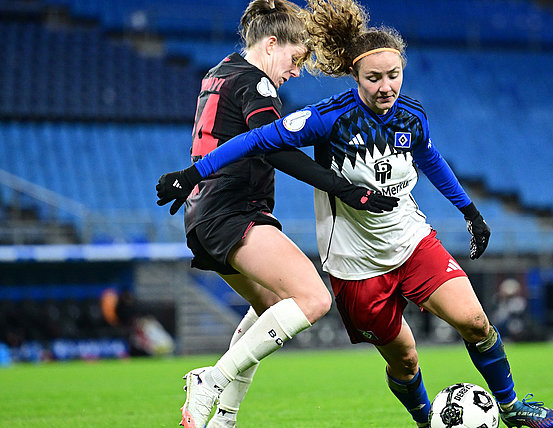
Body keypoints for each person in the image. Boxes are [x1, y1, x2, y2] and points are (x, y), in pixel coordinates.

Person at [157, 1, 553, 426]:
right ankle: (425, 420)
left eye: (394, 75)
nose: (386, 86)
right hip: (356, 265)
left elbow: (431, 158)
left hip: (411, 241)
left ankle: (512, 405)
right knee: (404, 360)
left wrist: (469, 210)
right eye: (375, 78)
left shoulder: (411, 115)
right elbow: (260, 141)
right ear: (355, 78)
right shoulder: (326, 117)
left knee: (476, 321)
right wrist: (193, 172)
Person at [156, 2, 398, 427]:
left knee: (269, 309)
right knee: (313, 299)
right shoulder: (257, 85)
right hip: (232, 211)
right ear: (271, 45)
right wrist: (344, 188)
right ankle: (211, 379)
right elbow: (277, 147)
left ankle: (224, 417)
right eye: (295, 58)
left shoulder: (220, 71)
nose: (296, 71)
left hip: (203, 215)